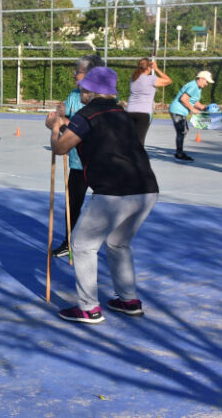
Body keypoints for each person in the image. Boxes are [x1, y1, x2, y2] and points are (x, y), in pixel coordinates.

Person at [45, 66, 159, 324]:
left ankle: (88, 307)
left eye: (83, 88)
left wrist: (54, 128)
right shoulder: (121, 113)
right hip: (146, 189)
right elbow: (92, 132)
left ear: (91, 90)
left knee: (82, 245)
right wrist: (64, 124)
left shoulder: (87, 113)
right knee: (118, 243)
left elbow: (61, 148)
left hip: (114, 191)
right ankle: (128, 300)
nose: (81, 92)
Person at [51, 54, 104, 259]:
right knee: (72, 204)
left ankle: (98, 244)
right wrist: (59, 116)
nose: (74, 74)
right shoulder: (74, 95)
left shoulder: (102, 98)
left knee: (101, 207)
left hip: (99, 163)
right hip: (77, 162)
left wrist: (67, 124)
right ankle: (69, 242)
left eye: (78, 71)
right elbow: (62, 114)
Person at [168, 70, 214, 162]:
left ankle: (179, 152)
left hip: (180, 111)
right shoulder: (194, 86)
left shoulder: (197, 87)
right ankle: (179, 154)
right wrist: (193, 110)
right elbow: (183, 99)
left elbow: (194, 101)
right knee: (182, 131)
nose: (207, 84)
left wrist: (205, 108)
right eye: (206, 81)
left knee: (184, 131)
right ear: (201, 79)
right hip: (177, 110)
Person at [126, 58, 172, 145]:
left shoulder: (133, 78)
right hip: (144, 112)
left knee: (130, 138)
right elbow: (168, 81)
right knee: (140, 139)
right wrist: (157, 69)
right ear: (148, 68)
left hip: (130, 111)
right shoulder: (151, 79)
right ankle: (138, 154)